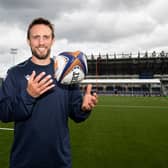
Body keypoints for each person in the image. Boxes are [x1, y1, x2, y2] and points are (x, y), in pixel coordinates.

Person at [0, 17, 98, 168]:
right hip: (24, 162)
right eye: (36, 37)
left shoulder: (66, 71)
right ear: (28, 41)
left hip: (59, 161)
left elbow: (77, 114)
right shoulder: (15, 73)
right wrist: (29, 96)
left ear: (52, 40)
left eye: (46, 37)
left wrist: (84, 108)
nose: (41, 42)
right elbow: (4, 113)